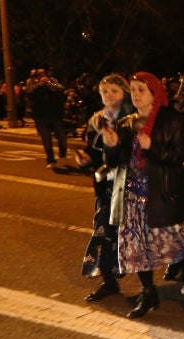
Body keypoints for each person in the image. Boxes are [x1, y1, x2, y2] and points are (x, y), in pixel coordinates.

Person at [102, 71, 184, 319]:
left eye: (141, 89)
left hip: (163, 193)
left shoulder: (171, 120)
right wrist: (111, 145)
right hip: (132, 195)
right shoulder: (126, 122)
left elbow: (180, 155)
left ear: (154, 93)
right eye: (133, 89)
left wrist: (152, 147)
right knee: (135, 247)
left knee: (172, 244)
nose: (135, 94)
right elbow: (116, 162)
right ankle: (148, 291)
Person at [76, 74, 135, 303]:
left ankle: (161, 279)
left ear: (125, 92)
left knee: (134, 234)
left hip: (130, 183)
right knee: (104, 230)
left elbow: (135, 154)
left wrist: (115, 144)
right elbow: (92, 150)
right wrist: (84, 157)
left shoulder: (133, 118)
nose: (109, 96)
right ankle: (109, 281)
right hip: (105, 184)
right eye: (105, 91)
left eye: (114, 90)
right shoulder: (97, 120)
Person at [27, 68, 68, 169]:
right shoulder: (33, 84)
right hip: (41, 116)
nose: (43, 76)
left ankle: (63, 153)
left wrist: (52, 86)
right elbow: (30, 95)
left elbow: (62, 91)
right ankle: (50, 159)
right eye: (40, 74)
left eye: (44, 73)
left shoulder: (52, 82)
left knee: (62, 137)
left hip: (55, 114)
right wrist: (40, 85)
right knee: (47, 140)